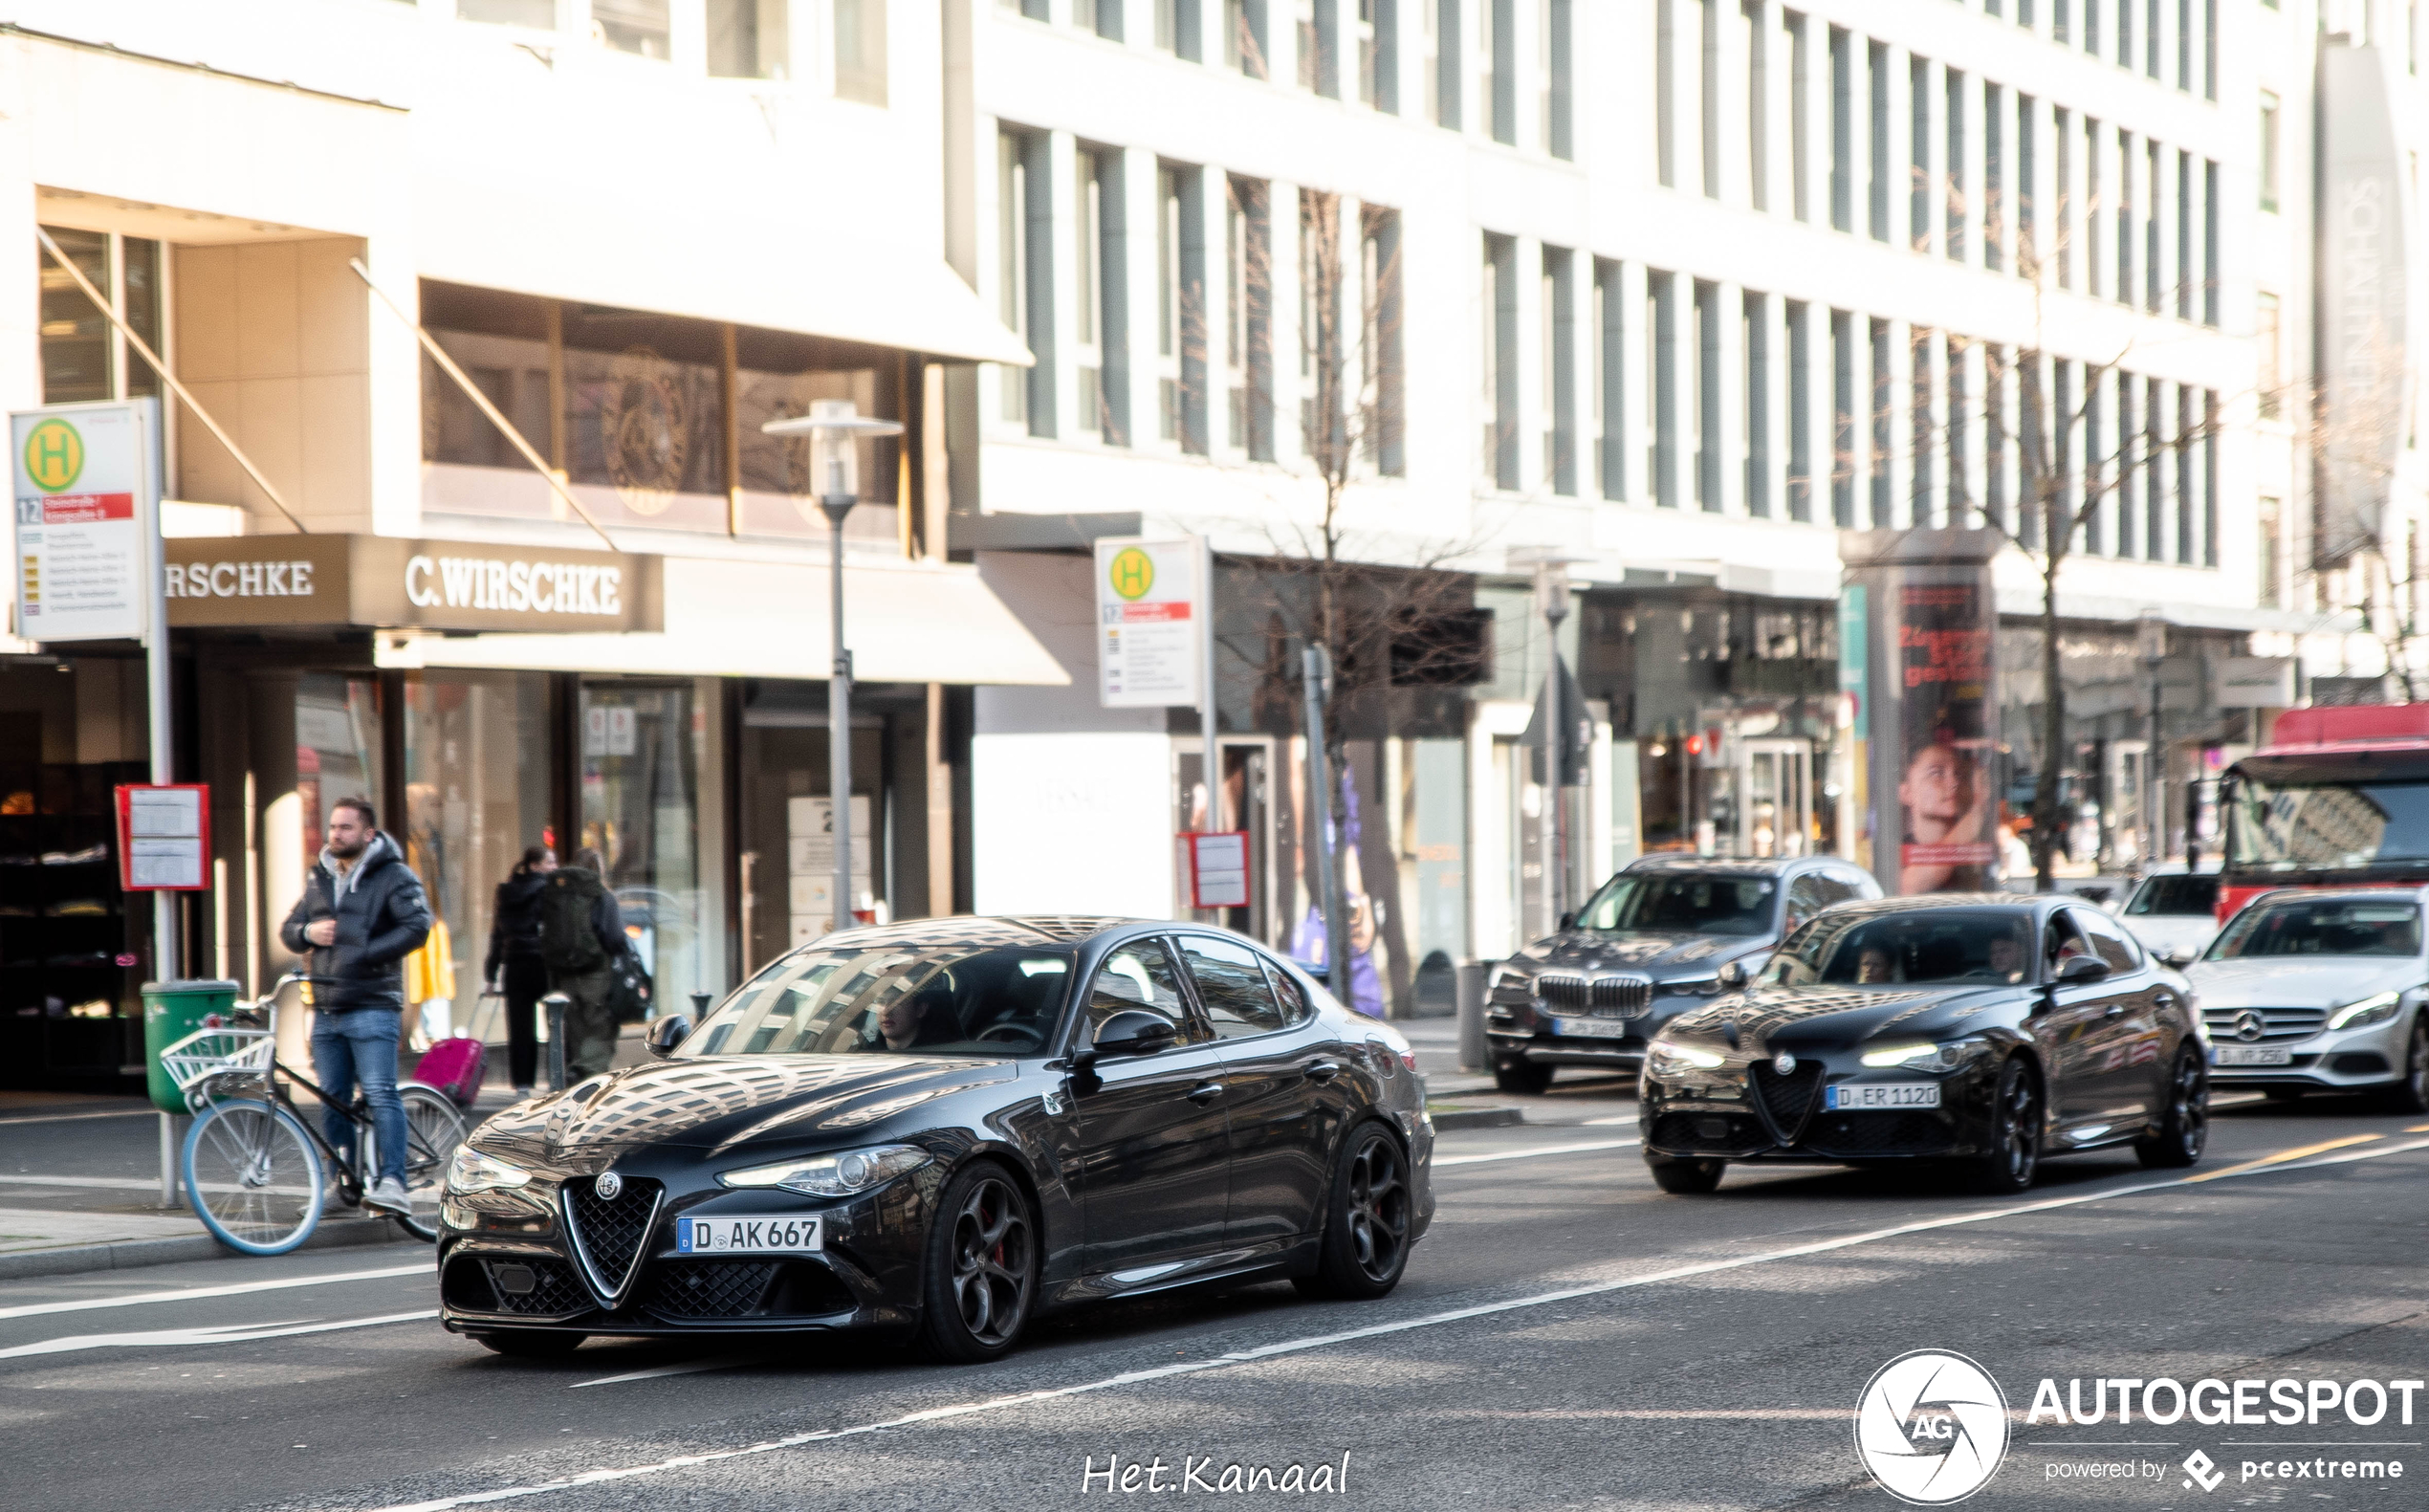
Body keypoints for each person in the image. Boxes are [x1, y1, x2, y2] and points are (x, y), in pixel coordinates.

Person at [278, 797, 431, 1216]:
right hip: (327, 1006)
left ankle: (394, 1183)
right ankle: (342, 1182)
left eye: (346, 828)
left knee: (381, 1093)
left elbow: (418, 927)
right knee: (333, 1099)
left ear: (368, 834)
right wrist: (309, 930)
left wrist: (366, 951)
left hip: (372, 1003)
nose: (336, 835)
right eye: (332, 827)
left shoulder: (393, 875)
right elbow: (289, 931)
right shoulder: (319, 876)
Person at [540, 846, 629, 1083]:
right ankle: (587, 1075)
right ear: (598, 869)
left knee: (575, 1030)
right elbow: (614, 938)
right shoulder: (601, 896)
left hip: (563, 975)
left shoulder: (556, 896)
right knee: (599, 1028)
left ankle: (575, 1071)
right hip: (595, 973)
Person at [483, 845, 555, 1098]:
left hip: (514, 965)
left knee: (520, 1027)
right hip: (542, 964)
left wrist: (490, 974)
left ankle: (522, 1083)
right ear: (535, 866)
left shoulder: (506, 892)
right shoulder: (549, 889)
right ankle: (556, 1078)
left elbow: (497, 934)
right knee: (555, 1023)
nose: (554, 868)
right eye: (550, 863)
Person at [1898, 740, 1993, 894]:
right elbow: (1906, 887)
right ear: (1906, 792)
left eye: (1959, 774)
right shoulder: (1894, 853)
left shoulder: (1977, 851)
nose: (1954, 782)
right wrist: (1972, 820)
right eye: (1936, 773)